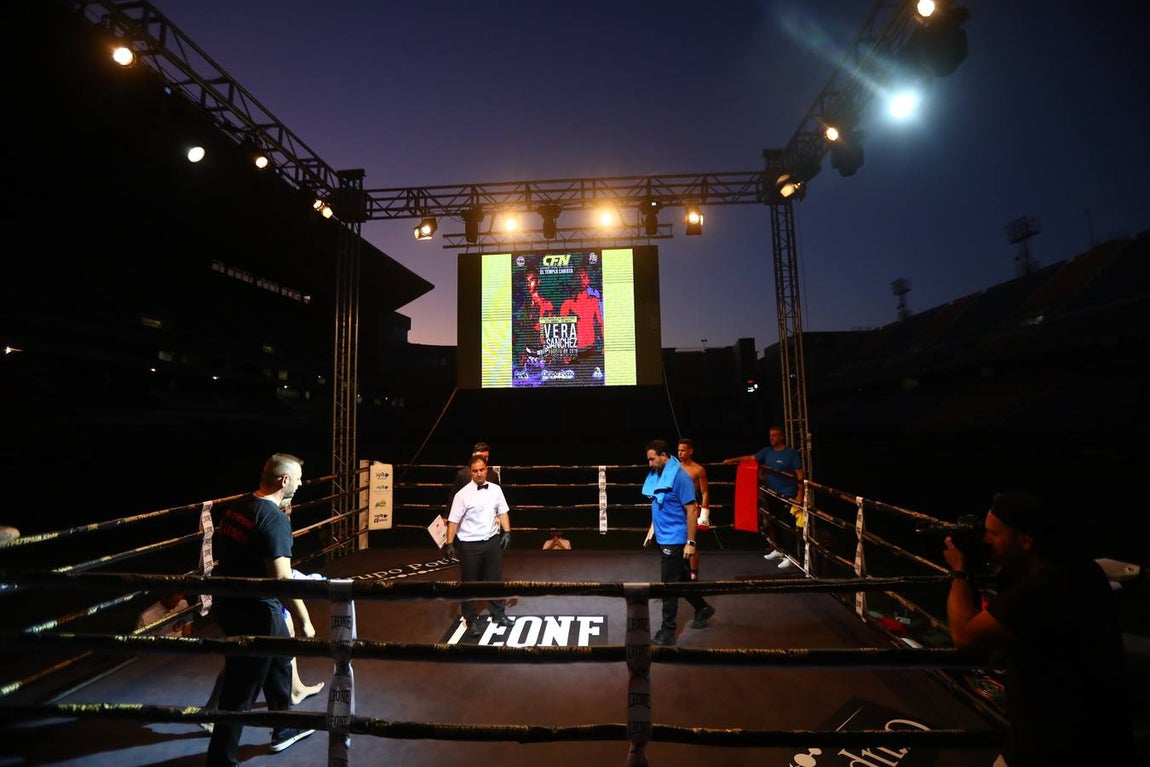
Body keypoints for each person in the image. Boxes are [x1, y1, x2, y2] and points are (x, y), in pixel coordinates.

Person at [943, 492, 1137, 766]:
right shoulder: (1080, 569)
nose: (985, 540)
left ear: (1025, 539)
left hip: (1052, 746)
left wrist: (960, 570)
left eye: (993, 534)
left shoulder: (1043, 590)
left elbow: (964, 636)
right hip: (1096, 736)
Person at [206, 453, 317, 766]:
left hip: (228, 599)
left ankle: (283, 727)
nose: (301, 483)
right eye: (297, 478)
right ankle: (220, 759)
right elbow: (282, 579)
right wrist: (303, 618)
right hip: (255, 610)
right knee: (241, 688)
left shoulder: (239, 506)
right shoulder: (274, 519)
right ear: (284, 481)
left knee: (280, 659)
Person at [642, 439, 715, 646]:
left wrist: (691, 541)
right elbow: (658, 502)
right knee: (680, 579)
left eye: (652, 459)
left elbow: (692, 510)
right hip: (663, 534)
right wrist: (652, 528)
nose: (649, 464)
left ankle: (667, 632)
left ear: (663, 456)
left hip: (675, 538)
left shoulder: (680, 477)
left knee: (668, 586)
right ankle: (703, 608)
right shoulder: (658, 474)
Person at [443, 454, 515, 639]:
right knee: (470, 583)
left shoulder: (496, 490)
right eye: (475, 471)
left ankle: (499, 615)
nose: (479, 474)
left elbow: (503, 511)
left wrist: (507, 532)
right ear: (470, 472)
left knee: (495, 580)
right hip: (469, 545)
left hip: (491, 541)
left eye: (482, 470)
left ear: (487, 469)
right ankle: (471, 620)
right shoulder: (462, 495)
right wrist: (449, 543)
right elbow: (453, 521)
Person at [723, 425, 805, 569]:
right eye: (770, 435)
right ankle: (779, 550)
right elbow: (750, 457)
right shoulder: (767, 452)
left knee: (788, 526)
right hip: (771, 494)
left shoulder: (791, 453)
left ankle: (791, 556)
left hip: (787, 495)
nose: (771, 437)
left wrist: (800, 494)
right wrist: (732, 460)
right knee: (774, 523)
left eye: (774, 435)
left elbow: (800, 475)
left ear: (781, 437)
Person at [677, 438, 709, 580]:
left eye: (683, 450)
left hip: (691, 508)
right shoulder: (674, 467)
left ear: (690, 451)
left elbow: (705, 492)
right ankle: (678, 569)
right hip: (675, 509)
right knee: (676, 540)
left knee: (691, 540)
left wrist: (704, 513)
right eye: (678, 450)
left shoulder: (698, 469)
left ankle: (694, 572)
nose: (680, 453)